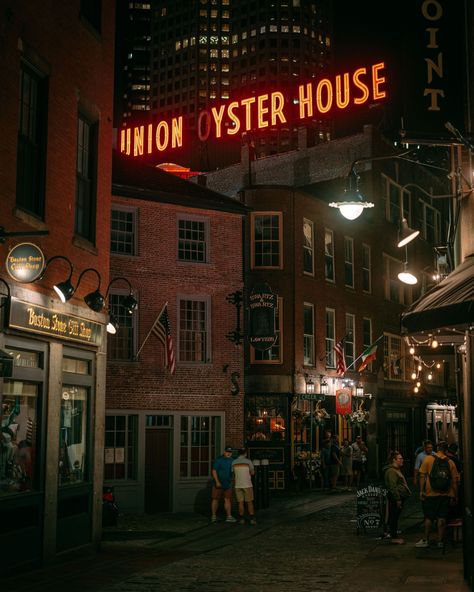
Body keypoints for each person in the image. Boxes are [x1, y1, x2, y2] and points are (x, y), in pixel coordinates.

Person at [415, 440, 460, 548]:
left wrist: (421, 490)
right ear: (446, 450)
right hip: (446, 493)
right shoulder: (450, 462)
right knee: (442, 517)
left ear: (437, 448)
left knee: (429, 517)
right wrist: (455, 495)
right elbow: (454, 481)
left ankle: (426, 540)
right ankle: (440, 541)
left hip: (431, 493)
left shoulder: (428, 459)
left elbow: (422, 476)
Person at [383, 450, 411, 544]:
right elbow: (392, 486)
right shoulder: (391, 471)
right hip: (396, 498)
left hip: (399, 497)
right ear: (394, 460)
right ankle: (393, 537)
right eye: (400, 458)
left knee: (395, 516)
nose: (402, 460)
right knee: (393, 517)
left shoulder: (396, 469)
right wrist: (398, 499)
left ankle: (394, 535)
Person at [211, 446, 237, 523]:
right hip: (218, 483)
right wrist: (217, 481)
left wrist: (233, 481)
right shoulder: (219, 460)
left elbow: (233, 472)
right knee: (215, 499)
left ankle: (229, 516)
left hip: (228, 483)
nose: (229, 453)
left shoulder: (232, 461)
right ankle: (213, 516)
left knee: (227, 499)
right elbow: (214, 471)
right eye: (227, 452)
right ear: (224, 452)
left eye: (230, 452)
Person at [232, 447, 256, 524]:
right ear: (245, 453)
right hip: (247, 484)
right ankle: (252, 518)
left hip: (238, 485)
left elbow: (233, 473)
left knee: (240, 502)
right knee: (249, 502)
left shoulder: (234, 462)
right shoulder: (248, 461)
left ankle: (241, 519)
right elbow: (252, 473)